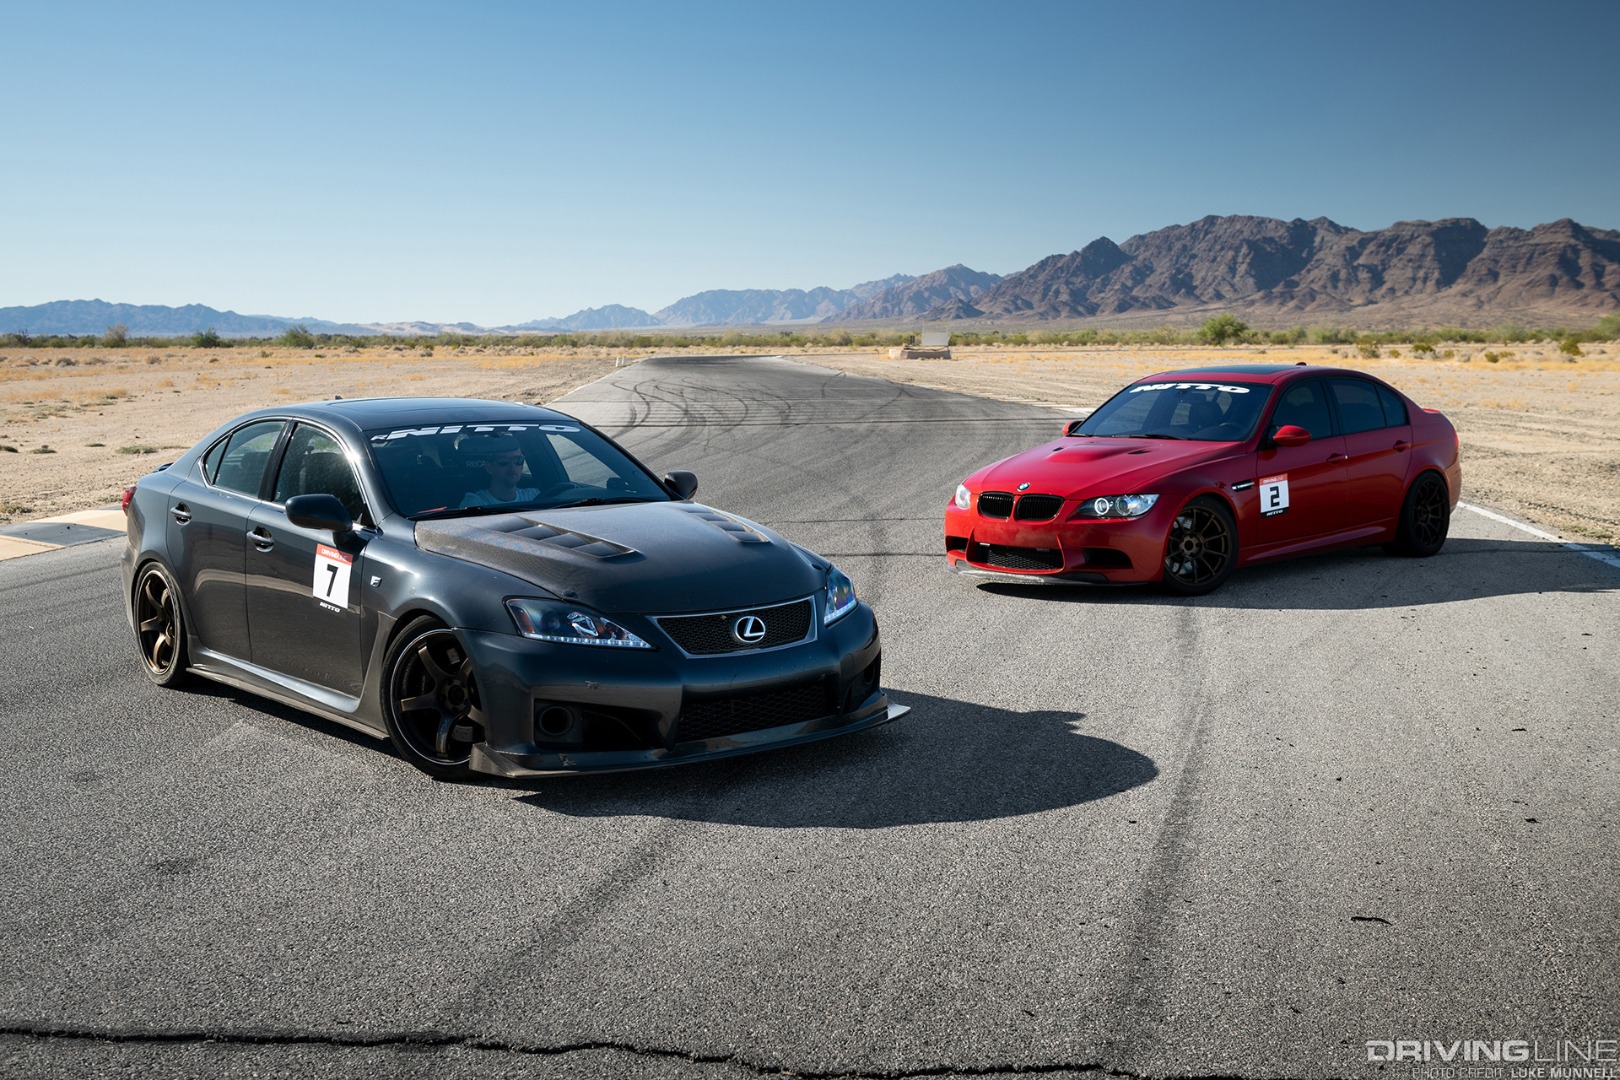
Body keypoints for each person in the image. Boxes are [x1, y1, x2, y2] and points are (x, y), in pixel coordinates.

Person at [458, 435, 543, 507]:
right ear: (489, 468)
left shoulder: (534, 496)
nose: (512, 466)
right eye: (504, 461)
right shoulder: (475, 503)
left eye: (518, 460)